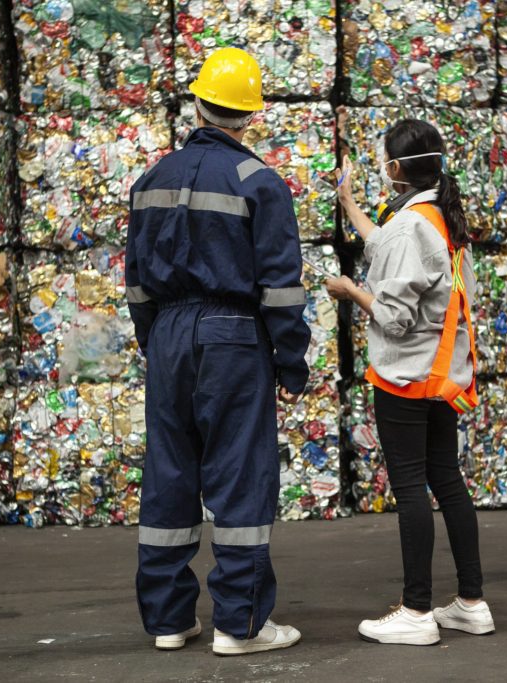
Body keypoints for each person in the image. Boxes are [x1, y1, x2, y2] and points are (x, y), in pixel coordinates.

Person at [126, 47, 310, 656]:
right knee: (238, 475)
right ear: (249, 117)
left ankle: (169, 620)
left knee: (170, 475)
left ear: (198, 104)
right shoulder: (260, 181)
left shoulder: (152, 179)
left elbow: (136, 283)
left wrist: (156, 339)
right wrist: (290, 361)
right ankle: (240, 623)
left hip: (170, 336)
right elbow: (281, 288)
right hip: (234, 336)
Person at [325, 119, 495, 645]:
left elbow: (393, 315)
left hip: (406, 377)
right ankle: (471, 602)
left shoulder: (409, 226)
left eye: (384, 162)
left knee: (410, 488)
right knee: (447, 479)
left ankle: (417, 610)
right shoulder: (438, 217)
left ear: (396, 169)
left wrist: (351, 291)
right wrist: (348, 201)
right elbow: (390, 249)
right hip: (443, 376)